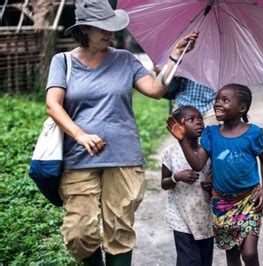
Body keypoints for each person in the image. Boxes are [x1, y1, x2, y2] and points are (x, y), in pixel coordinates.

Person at [45, 0, 198, 264]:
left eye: (111, 27)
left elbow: (155, 89)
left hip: (123, 157)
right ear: (84, 30)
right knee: (80, 232)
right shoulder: (63, 62)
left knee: (119, 230)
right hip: (79, 158)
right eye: (101, 28)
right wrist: (80, 135)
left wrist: (174, 56)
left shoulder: (125, 60)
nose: (109, 33)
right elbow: (52, 105)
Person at [167, 84, 263, 266]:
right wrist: (182, 140)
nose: (217, 104)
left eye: (225, 100)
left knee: (249, 253)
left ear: (242, 108)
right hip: (222, 203)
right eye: (217, 100)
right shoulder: (211, 134)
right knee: (232, 252)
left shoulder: (254, 133)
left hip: (249, 199)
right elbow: (198, 164)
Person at [160, 106, 214, 266]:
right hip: (181, 218)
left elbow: (213, 177)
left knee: (204, 261)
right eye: (191, 120)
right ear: (177, 126)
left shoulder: (207, 151)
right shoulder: (170, 153)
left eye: (200, 118)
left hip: (204, 217)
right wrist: (177, 177)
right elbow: (164, 183)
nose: (198, 122)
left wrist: (211, 184)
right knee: (189, 261)